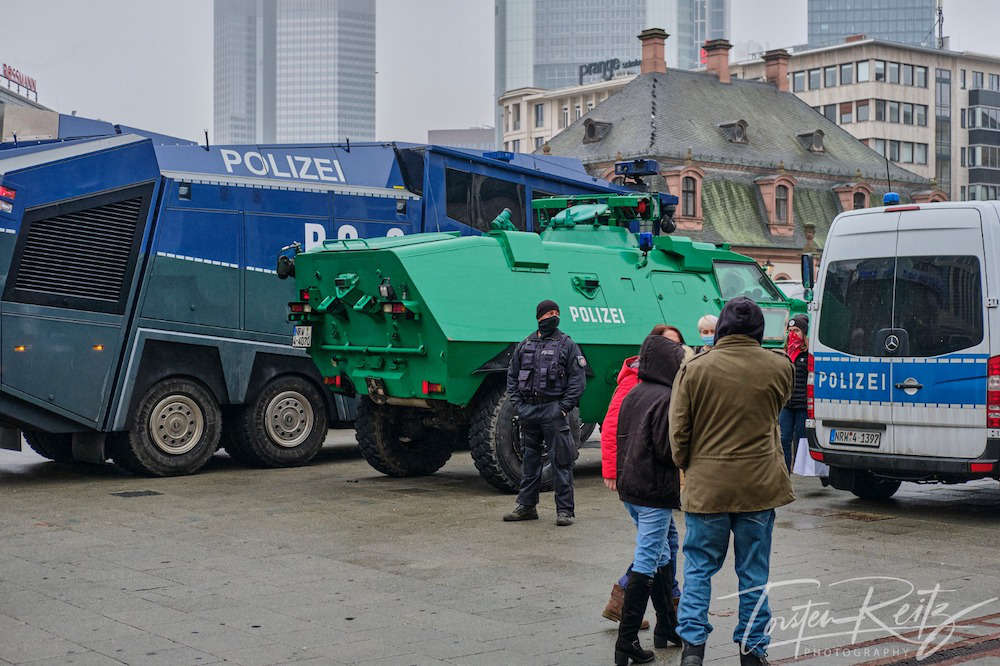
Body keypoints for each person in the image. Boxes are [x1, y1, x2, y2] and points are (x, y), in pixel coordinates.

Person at [669, 298, 795, 666]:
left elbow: (678, 433)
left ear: (721, 327)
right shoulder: (779, 366)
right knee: (754, 573)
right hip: (759, 485)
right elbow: (777, 410)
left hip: (707, 487)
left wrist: (687, 466)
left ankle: (693, 650)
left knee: (697, 569)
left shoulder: (694, 368)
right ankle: (752, 650)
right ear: (759, 330)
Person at [601, 325, 684, 629]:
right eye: (669, 345)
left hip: (643, 480)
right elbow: (613, 427)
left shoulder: (665, 383)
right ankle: (625, 601)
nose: (675, 351)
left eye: (678, 345)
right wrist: (612, 470)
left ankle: (669, 606)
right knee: (655, 548)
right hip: (644, 481)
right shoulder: (636, 383)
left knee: (667, 543)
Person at [503, 299, 587, 527]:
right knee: (529, 463)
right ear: (539, 316)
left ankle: (565, 511)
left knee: (561, 462)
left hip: (553, 411)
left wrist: (562, 408)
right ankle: (526, 507)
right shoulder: (525, 344)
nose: (554, 316)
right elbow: (512, 377)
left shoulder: (567, 344)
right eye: (549, 312)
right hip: (529, 411)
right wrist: (519, 405)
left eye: (556, 312)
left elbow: (578, 381)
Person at [779, 315, 809, 471]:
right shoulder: (785, 352)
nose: (792, 334)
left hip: (802, 404)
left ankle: (804, 467)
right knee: (784, 438)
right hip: (787, 403)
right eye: (790, 331)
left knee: (802, 438)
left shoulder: (809, 353)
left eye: (796, 330)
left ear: (804, 333)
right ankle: (785, 472)